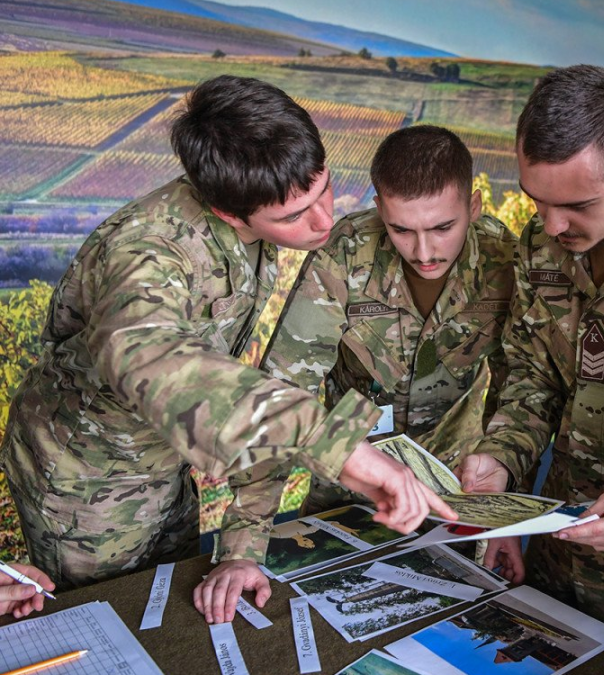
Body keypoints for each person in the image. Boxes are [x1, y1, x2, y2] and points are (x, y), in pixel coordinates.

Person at [0, 75, 454, 593]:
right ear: (225, 211)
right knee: (109, 617)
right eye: (294, 215)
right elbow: (145, 356)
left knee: (168, 604)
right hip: (90, 481)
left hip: (169, 462)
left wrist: (242, 546)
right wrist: (332, 443)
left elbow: (245, 389)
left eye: (324, 187)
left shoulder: (253, 204)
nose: (324, 220)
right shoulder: (150, 250)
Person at [193, 124, 516, 624]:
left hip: (455, 488)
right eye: (401, 229)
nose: (424, 251)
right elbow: (284, 391)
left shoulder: (503, 260)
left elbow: (517, 387)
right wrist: (242, 546)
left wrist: (502, 509)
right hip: (350, 479)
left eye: (443, 228)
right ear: (380, 208)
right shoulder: (344, 256)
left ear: (473, 207)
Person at [459, 64, 604, 639]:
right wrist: (501, 465)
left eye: (577, 206)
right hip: (555, 534)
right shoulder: (540, 247)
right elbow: (533, 375)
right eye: (535, 200)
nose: (551, 223)